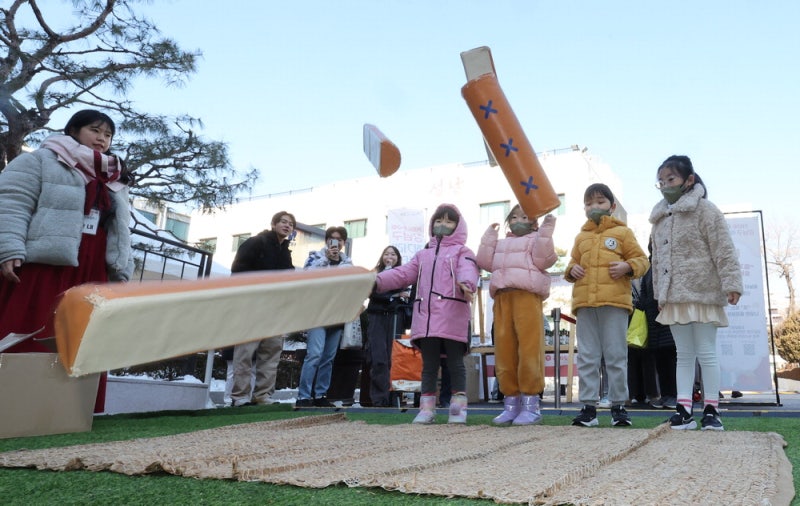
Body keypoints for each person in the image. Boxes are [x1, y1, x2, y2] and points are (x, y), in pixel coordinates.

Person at [0, 109, 134, 413]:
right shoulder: (40, 160)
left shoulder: (115, 177)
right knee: (32, 327)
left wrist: (123, 270)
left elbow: (121, 230)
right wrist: (9, 248)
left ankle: (71, 410)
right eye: (95, 130)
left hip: (93, 266)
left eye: (108, 134)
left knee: (85, 337)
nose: (102, 139)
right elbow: (10, 203)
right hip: (45, 263)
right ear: (73, 130)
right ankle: (15, 407)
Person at [649, 155, 742, 431]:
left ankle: (712, 409)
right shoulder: (660, 217)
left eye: (671, 179)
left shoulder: (706, 210)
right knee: (684, 354)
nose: (666, 185)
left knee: (706, 352)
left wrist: (731, 283)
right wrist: (659, 294)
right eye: (661, 181)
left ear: (689, 180)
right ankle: (684, 409)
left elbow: (723, 248)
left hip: (702, 291)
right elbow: (657, 261)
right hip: (674, 296)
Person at [376, 204, 478, 424]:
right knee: (429, 365)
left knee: (455, 363)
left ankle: (458, 409)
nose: (443, 225)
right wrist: (378, 281)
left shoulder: (463, 251)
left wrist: (467, 283)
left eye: (449, 221)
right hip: (426, 318)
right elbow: (403, 274)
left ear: (459, 226)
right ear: (432, 225)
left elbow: (468, 269)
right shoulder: (422, 255)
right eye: (439, 221)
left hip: (452, 316)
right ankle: (427, 409)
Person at [565, 183, 649, 427]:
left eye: (600, 202)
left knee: (615, 355)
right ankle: (588, 407)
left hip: (615, 303)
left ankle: (618, 406)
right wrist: (572, 269)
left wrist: (627, 266)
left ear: (612, 206)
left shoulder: (624, 233)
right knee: (588, 356)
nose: (594, 207)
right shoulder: (581, 237)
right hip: (585, 304)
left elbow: (642, 260)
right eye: (589, 203)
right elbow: (570, 264)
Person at [476, 204, 557, 426]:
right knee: (504, 350)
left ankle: (531, 405)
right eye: (513, 217)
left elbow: (544, 260)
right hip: (502, 298)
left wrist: (546, 230)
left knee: (529, 349)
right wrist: (489, 237)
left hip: (527, 297)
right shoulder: (501, 243)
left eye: (524, 216)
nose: (518, 220)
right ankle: (510, 403)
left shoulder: (535, 239)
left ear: (534, 222)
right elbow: (484, 262)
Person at [228, 211, 296, 406]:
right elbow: (238, 270)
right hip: (251, 305)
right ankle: (239, 396)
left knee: (271, 351)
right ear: (273, 224)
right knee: (245, 351)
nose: (287, 225)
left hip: (275, 309)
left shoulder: (286, 252)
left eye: (290, 224)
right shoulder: (255, 242)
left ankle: (262, 395)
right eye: (283, 222)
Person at [295, 226, 353, 407]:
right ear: (326, 241)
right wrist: (326, 260)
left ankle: (321, 394)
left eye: (339, 239)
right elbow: (307, 277)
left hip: (336, 315)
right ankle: (304, 396)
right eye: (332, 239)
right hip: (317, 313)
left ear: (343, 243)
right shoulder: (315, 257)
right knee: (314, 355)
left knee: (328, 358)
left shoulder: (347, 263)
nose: (335, 242)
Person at [363, 245, 409, 407]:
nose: (390, 256)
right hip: (377, 317)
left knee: (394, 358)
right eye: (387, 254)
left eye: (393, 254)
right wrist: (394, 294)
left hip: (396, 317)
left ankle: (394, 396)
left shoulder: (403, 274)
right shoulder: (374, 273)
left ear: (398, 257)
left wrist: (397, 295)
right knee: (378, 358)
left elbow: (406, 293)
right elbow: (373, 293)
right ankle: (379, 398)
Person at [638, 252, 678, 410]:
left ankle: (676, 395)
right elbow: (644, 293)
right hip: (653, 322)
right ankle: (666, 395)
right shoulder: (649, 269)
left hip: (669, 319)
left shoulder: (670, 262)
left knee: (672, 360)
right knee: (660, 362)